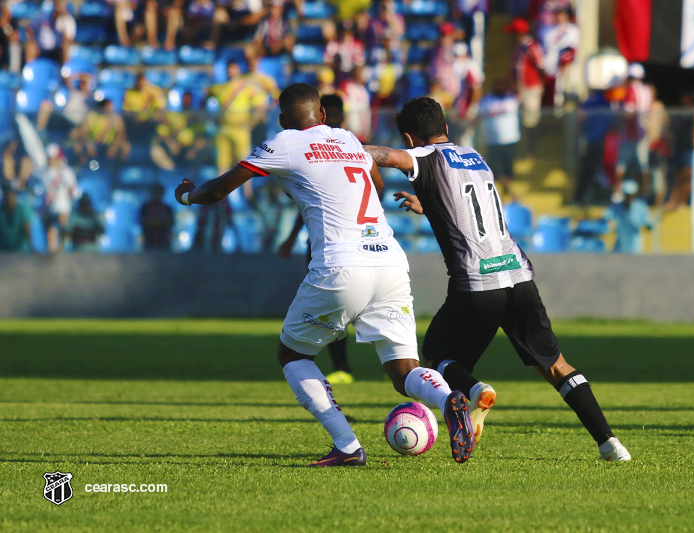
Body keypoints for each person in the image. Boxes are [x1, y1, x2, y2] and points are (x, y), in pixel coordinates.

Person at [174, 83, 475, 466]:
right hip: (389, 260)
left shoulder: (283, 142)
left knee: (292, 353)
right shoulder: (348, 139)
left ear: (284, 119)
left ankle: (347, 446)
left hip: (340, 264)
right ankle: (449, 398)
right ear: (321, 114)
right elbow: (376, 185)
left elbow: (218, 191)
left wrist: (187, 194)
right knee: (404, 370)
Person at [363, 97, 631, 461]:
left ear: (411, 139)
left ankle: (475, 391)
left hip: (477, 284)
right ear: (445, 126)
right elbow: (473, 209)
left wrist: (346, 146)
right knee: (556, 365)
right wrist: (427, 203)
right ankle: (610, 443)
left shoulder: (424, 156)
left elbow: (388, 157)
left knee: (438, 357)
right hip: (518, 277)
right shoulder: (475, 156)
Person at [278, 93, 352, 385]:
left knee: (344, 309)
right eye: (329, 114)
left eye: (336, 115)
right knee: (334, 313)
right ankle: (343, 368)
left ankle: (402, 368)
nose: (332, 120)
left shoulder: (348, 145)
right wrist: (291, 238)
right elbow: (309, 206)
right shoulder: (341, 147)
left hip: (349, 244)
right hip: (324, 244)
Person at [478, 79, 520, 201]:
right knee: (495, 168)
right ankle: (510, 193)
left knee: (508, 168)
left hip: (510, 139)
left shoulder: (511, 99)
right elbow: (480, 113)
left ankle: (506, 191)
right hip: (493, 141)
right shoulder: (486, 100)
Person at [616, 63, 653, 193]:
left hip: (630, 133)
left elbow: (628, 112)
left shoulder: (631, 90)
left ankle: (617, 193)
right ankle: (645, 192)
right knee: (643, 165)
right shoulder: (647, 90)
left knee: (621, 165)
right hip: (643, 132)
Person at [574, 89, 614, 205]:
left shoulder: (595, 102)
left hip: (594, 141)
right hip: (594, 141)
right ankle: (582, 197)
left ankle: (585, 197)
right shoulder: (602, 102)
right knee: (590, 171)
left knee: (593, 171)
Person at [505, 17, 545, 129]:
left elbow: (541, 67)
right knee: (521, 122)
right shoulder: (518, 48)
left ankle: (532, 145)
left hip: (531, 88)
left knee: (531, 121)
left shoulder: (531, 46)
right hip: (520, 89)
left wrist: (540, 85)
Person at [665, 88, 694, 210]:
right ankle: (673, 200)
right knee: (678, 175)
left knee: (687, 175)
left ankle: (683, 202)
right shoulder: (680, 112)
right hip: (679, 146)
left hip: (688, 147)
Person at [39, 144, 79, 253]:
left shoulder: (67, 172)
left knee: (63, 229)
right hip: (49, 209)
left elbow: (74, 191)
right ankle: (53, 256)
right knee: (51, 234)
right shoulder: (44, 173)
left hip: (63, 208)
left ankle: (62, 251)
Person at [603, 180, 652, 254]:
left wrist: (647, 225)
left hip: (634, 246)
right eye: (627, 195)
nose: (629, 197)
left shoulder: (640, 207)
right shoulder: (616, 207)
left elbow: (648, 223)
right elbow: (606, 217)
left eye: (631, 195)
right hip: (619, 245)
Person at [140, 184, 174, 251]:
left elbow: (170, 222)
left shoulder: (167, 208)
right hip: (149, 242)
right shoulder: (145, 207)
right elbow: (144, 222)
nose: (156, 194)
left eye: (159, 192)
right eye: (155, 192)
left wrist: (154, 222)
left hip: (164, 242)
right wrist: (161, 222)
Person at [0, 187, 30, 252]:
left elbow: (27, 229)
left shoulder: (22, 209)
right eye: (7, 198)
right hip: (3, 252)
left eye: (11, 197)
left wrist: (30, 248)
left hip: (19, 251)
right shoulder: (1, 212)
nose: (9, 201)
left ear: (15, 198)